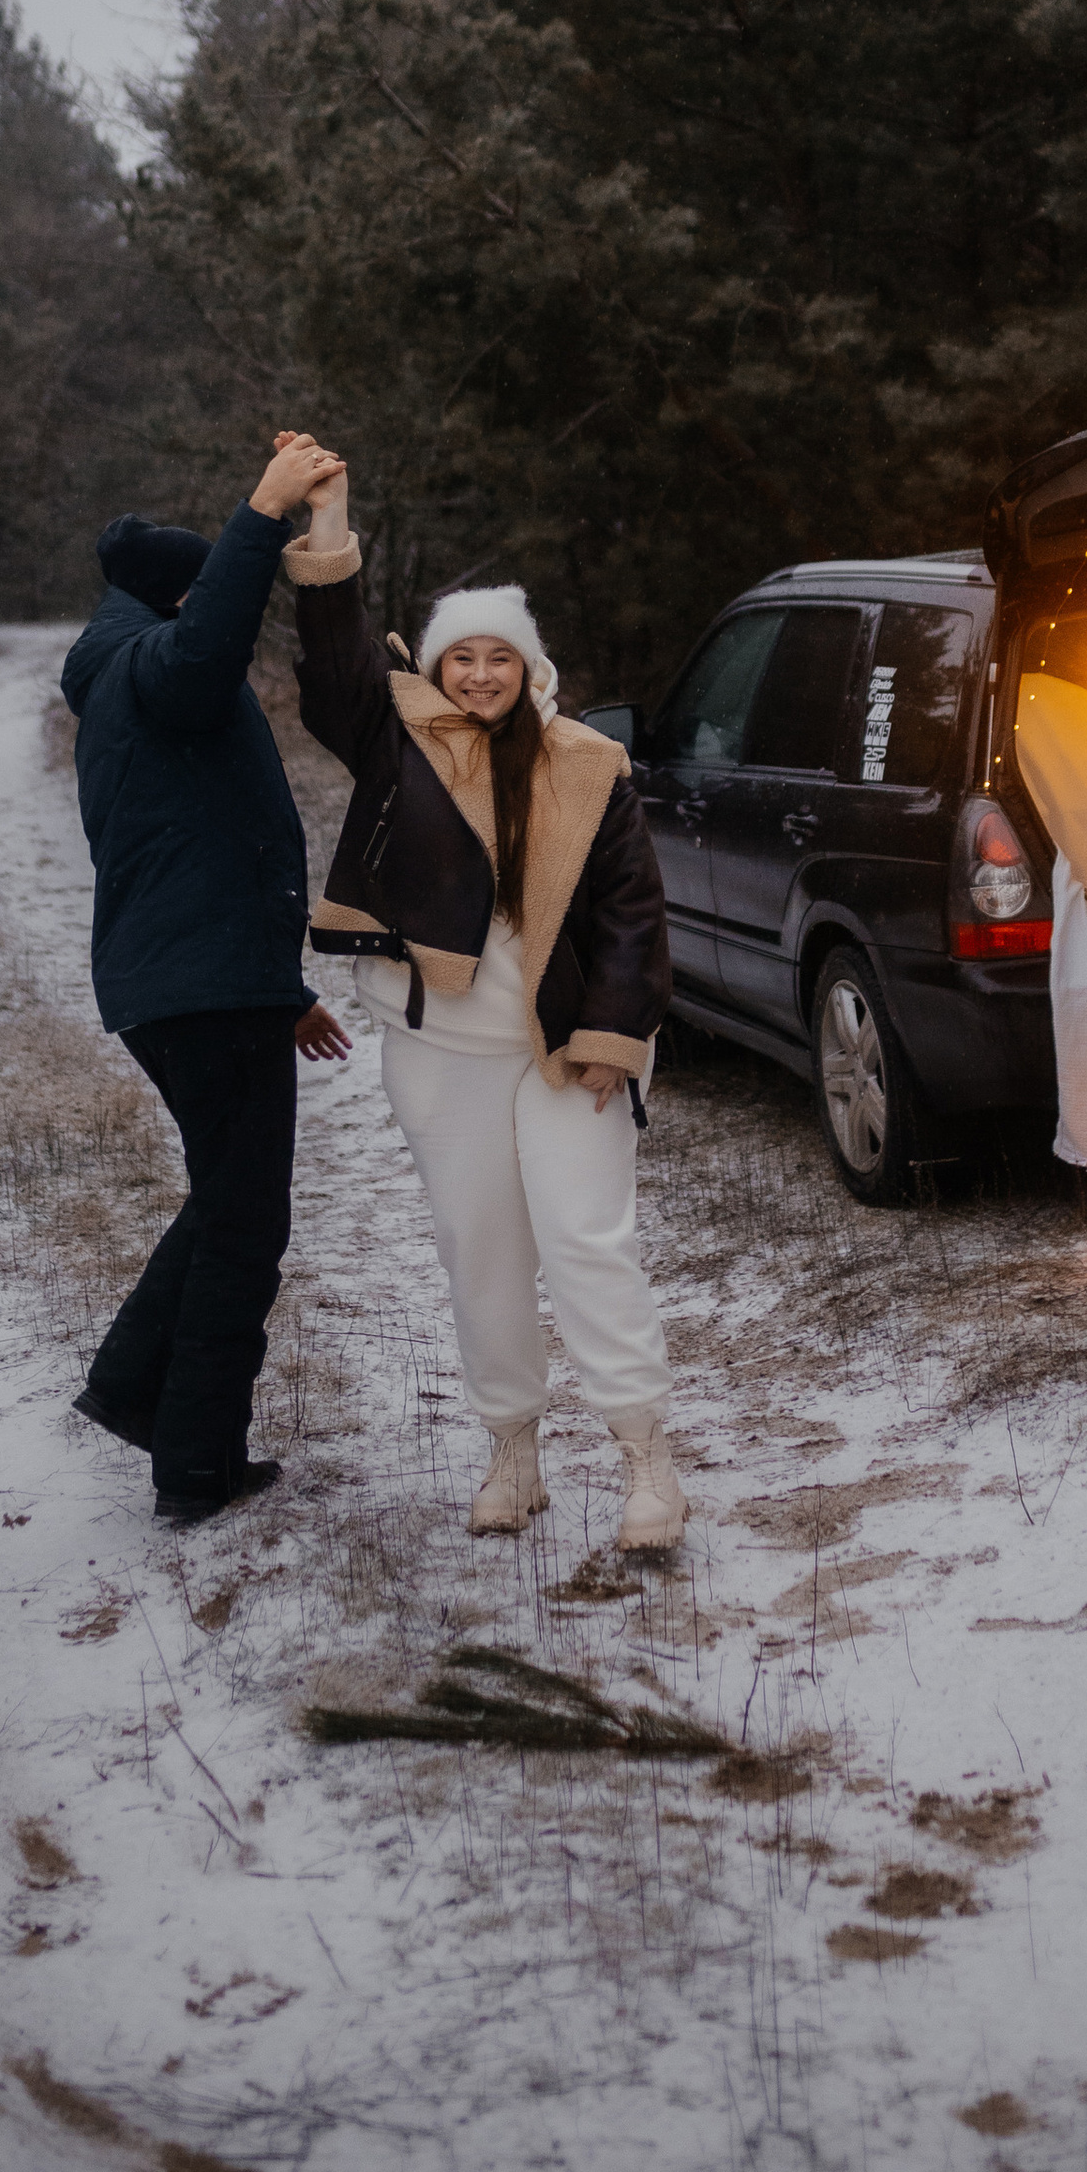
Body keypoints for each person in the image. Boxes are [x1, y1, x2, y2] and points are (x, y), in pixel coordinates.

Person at [278, 436, 684, 1550]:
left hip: (564, 1053)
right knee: (481, 1247)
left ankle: (647, 1462)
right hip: (442, 1050)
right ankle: (514, 1452)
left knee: (587, 1240)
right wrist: (328, 520)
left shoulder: (590, 767)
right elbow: (331, 654)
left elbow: (633, 910)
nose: (480, 677)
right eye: (463, 661)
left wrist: (613, 1034)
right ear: (441, 668)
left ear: (529, 668)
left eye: (500, 661)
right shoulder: (395, 739)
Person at [62, 438, 352, 1528]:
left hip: (210, 983)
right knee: (244, 1225)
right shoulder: (145, 668)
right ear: (169, 597)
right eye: (194, 594)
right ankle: (193, 1462)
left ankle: (138, 1391)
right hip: (198, 990)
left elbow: (202, 852)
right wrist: (264, 516)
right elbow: (204, 660)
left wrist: (278, 990)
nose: (205, 613)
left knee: (230, 1204)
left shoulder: (120, 675)